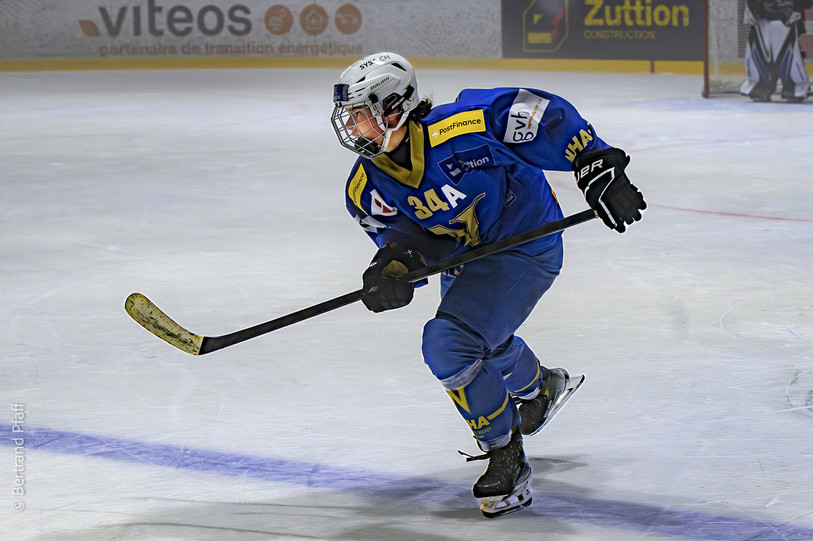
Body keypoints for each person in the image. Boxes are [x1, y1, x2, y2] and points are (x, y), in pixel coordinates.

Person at [330, 52, 646, 517]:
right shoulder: (365, 189)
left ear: (396, 108)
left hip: (525, 244)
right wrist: (393, 268)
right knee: (484, 346)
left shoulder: (467, 126)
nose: (355, 130)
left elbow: (539, 115)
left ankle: (506, 456)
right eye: (350, 120)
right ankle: (540, 388)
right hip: (469, 260)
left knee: (450, 344)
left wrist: (594, 161)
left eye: (363, 117)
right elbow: (410, 243)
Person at [741, 0, 812, 102]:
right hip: (761, 17)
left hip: (787, 17)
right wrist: (751, 10)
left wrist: (798, 8)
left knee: (789, 51)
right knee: (759, 51)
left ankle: (795, 86)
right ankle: (760, 84)